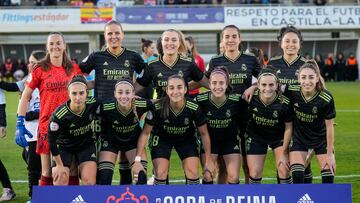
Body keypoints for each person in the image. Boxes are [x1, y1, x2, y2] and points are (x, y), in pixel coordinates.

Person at [80, 20, 147, 184]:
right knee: (102, 175)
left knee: (130, 168)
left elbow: (147, 76)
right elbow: (79, 70)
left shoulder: (133, 56)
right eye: (110, 33)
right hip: (102, 117)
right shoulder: (96, 56)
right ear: (105, 36)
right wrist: (86, 88)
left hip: (126, 116)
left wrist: (134, 92)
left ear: (123, 35)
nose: (113, 36)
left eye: (117, 33)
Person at [16, 32, 82, 187]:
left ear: (64, 46)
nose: (55, 46)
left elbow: (83, 89)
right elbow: (25, 96)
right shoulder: (40, 69)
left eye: (58, 43)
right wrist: (19, 122)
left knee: (71, 169)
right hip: (46, 125)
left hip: (69, 126)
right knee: (46, 172)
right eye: (51, 43)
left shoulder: (72, 68)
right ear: (47, 47)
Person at [133, 75, 215, 185]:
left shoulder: (194, 107)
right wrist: (137, 160)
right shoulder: (158, 107)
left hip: (186, 138)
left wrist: (208, 160)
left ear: (185, 89)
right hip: (162, 139)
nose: (175, 91)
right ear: (166, 90)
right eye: (171, 88)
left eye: (179, 87)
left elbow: (204, 134)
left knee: (193, 172)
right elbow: (145, 133)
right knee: (160, 172)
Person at [207, 24, 261, 184]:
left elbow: (267, 78)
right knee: (222, 165)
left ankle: (246, 196)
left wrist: (253, 85)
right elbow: (206, 81)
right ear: (222, 40)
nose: (230, 40)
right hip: (223, 117)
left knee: (246, 164)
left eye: (233, 36)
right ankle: (221, 197)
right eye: (227, 37)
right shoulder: (215, 60)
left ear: (239, 39)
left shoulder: (250, 59)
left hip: (245, 116)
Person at [268, 25, 313, 183]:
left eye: (294, 41)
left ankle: (306, 195)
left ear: (300, 43)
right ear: (281, 43)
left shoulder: (307, 65)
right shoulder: (273, 64)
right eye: (287, 41)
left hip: (302, 121)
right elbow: (264, 86)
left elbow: (319, 91)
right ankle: (285, 196)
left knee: (303, 162)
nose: (290, 44)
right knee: (283, 164)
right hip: (279, 121)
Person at [0, 50, 45, 201]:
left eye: (34, 62)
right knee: (28, 157)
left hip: (40, 128)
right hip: (29, 127)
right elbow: (13, 88)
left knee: (34, 166)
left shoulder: (47, 79)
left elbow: (47, 107)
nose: (30, 65)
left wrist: (31, 115)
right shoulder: (29, 78)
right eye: (30, 62)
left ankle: (36, 196)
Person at [287, 60, 336, 184]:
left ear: (317, 79)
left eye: (311, 77)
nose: (307, 81)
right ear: (298, 78)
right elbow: (271, 87)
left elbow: (330, 127)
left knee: (328, 177)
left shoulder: (326, 98)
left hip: (321, 139)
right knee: (297, 176)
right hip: (299, 139)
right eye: (303, 77)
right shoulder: (292, 90)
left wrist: (330, 154)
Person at [97, 77, 152, 185]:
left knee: (141, 176)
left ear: (133, 94)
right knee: (104, 178)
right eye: (120, 92)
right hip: (111, 143)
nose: (123, 96)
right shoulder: (105, 106)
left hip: (132, 143)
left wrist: (137, 160)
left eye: (127, 92)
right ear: (115, 94)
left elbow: (156, 104)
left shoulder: (142, 104)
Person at [197, 66, 247, 184]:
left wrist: (253, 88)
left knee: (234, 177)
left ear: (226, 84)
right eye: (214, 83)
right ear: (209, 84)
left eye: (221, 83)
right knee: (208, 175)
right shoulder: (200, 100)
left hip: (230, 142)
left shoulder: (237, 100)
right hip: (210, 142)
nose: (218, 86)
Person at [48, 76, 98, 185]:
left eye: (81, 93)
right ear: (68, 94)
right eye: (74, 93)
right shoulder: (59, 115)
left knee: (90, 182)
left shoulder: (93, 104)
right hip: (64, 147)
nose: (78, 97)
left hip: (86, 146)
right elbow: (51, 142)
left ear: (87, 93)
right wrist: (59, 165)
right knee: (60, 180)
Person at [245, 67, 292, 184]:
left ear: (277, 85)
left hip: (278, 138)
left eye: (271, 85)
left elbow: (289, 127)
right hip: (257, 137)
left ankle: (287, 197)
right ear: (258, 85)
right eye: (264, 85)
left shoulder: (284, 103)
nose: (267, 88)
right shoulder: (250, 98)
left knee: (283, 170)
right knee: (255, 173)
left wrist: (284, 153)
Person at [135, 29, 208, 99]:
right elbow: (137, 86)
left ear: (179, 43)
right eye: (166, 40)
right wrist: (127, 95)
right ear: (162, 42)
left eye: (174, 40)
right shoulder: (151, 65)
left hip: (183, 111)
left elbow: (204, 82)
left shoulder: (188, 63)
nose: (170, 43)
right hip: (160, 110)